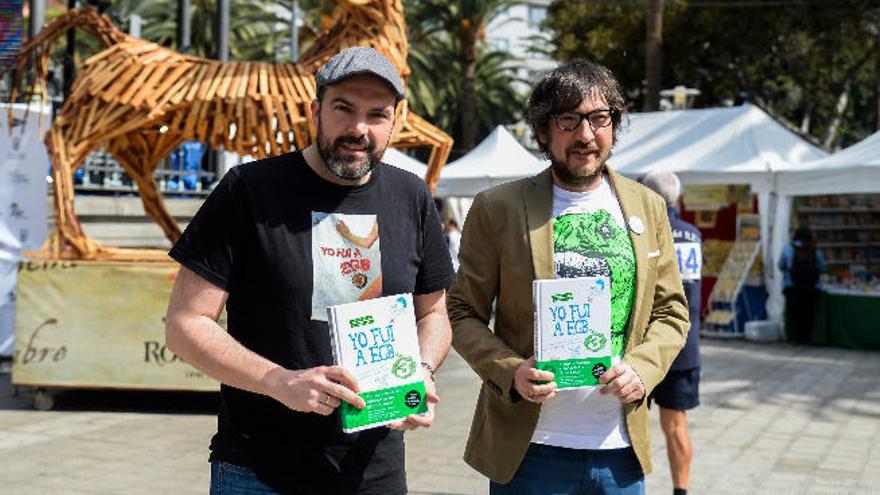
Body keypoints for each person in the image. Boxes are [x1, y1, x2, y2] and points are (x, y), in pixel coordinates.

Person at [164, 46, 455, 495]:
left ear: (395, 121)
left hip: (372, 473)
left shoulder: (411, 196)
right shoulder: (248, 190)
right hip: (258, 471)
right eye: (344, 109)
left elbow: (434, 315)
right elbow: (185, 324)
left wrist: (420, 371)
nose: (358, 129)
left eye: (376, 114)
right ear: (315, 111)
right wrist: (280, 382)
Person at [447, 59, 690, 495]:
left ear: (614, 126)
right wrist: (509, 370)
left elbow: (671, 311)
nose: (585, 134)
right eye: (568, 120)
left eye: (599, 119)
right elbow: (461, 311)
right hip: (531, 450)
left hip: (620, 449)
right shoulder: (498, 208)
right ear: (543, 131)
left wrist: (642, 368)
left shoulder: (647, 206)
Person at [641, 170, 702, 495]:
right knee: (676, 425)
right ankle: (682, 490)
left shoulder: (647, 234)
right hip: (685, 345)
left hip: (645, 348)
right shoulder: (692, 234)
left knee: (632, 427)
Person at [777, 225, 825, 344]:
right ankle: (806, 338)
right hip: (811, 287)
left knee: (795, 313)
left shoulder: (787, 248)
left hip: (792, 286)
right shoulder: (815, 250)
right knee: (808, 313)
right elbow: (821, 267)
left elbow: (780, 265)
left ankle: (795, 338)